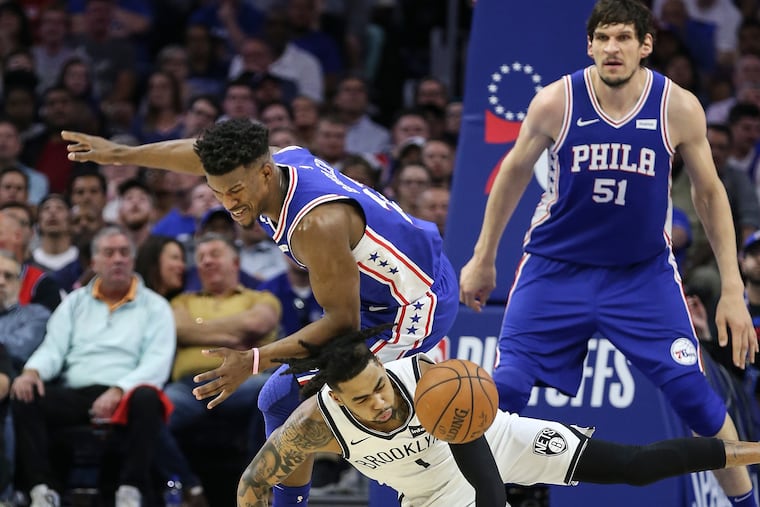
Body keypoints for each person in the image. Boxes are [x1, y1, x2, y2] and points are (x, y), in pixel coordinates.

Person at [61, 118, 459, 506]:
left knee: (355, 402)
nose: (229, 203)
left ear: (265, 173)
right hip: (389, 291)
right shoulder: (268, 163)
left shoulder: (314, 224)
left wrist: (253, 359)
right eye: (218, 192)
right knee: (277, 400)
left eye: (235, 191)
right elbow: (195, 155)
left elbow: (342, 324)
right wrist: (120, 154)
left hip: (413, 305)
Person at [458, 1, 757, 505]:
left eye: (623, 38)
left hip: (641, 276)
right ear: (590, 44)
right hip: (555, 271)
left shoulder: (676, 105)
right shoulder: (556, 101)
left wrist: (732, 288)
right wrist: (483, 256)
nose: (612, 48)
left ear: (646, 45)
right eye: (603, 38)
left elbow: (710, 194)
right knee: (501, 391)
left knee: (700, 405)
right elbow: (511, 173)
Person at [237, 325, 760, 507]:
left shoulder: (427, 382)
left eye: (378, 385)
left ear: (382, 366)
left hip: (491, 443)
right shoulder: (309, 425)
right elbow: (252, 485)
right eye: (362, 400)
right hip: (430, 496)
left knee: (635, 465)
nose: (379, 402)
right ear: (336, 399)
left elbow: (488, 488)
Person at [10, 226, 176, 507]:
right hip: (75, 392)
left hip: (126, 395)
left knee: (148, 398)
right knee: (25, 394)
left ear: (133, 261)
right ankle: (42, 489)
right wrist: (32, 371)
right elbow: (53, 348)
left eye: (124, 253)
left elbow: (157, 361)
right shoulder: (75, 302)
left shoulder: (156, 306)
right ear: (94, 262)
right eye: (109, 253)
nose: (118, 259)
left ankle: (129, 490)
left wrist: (117, 390)